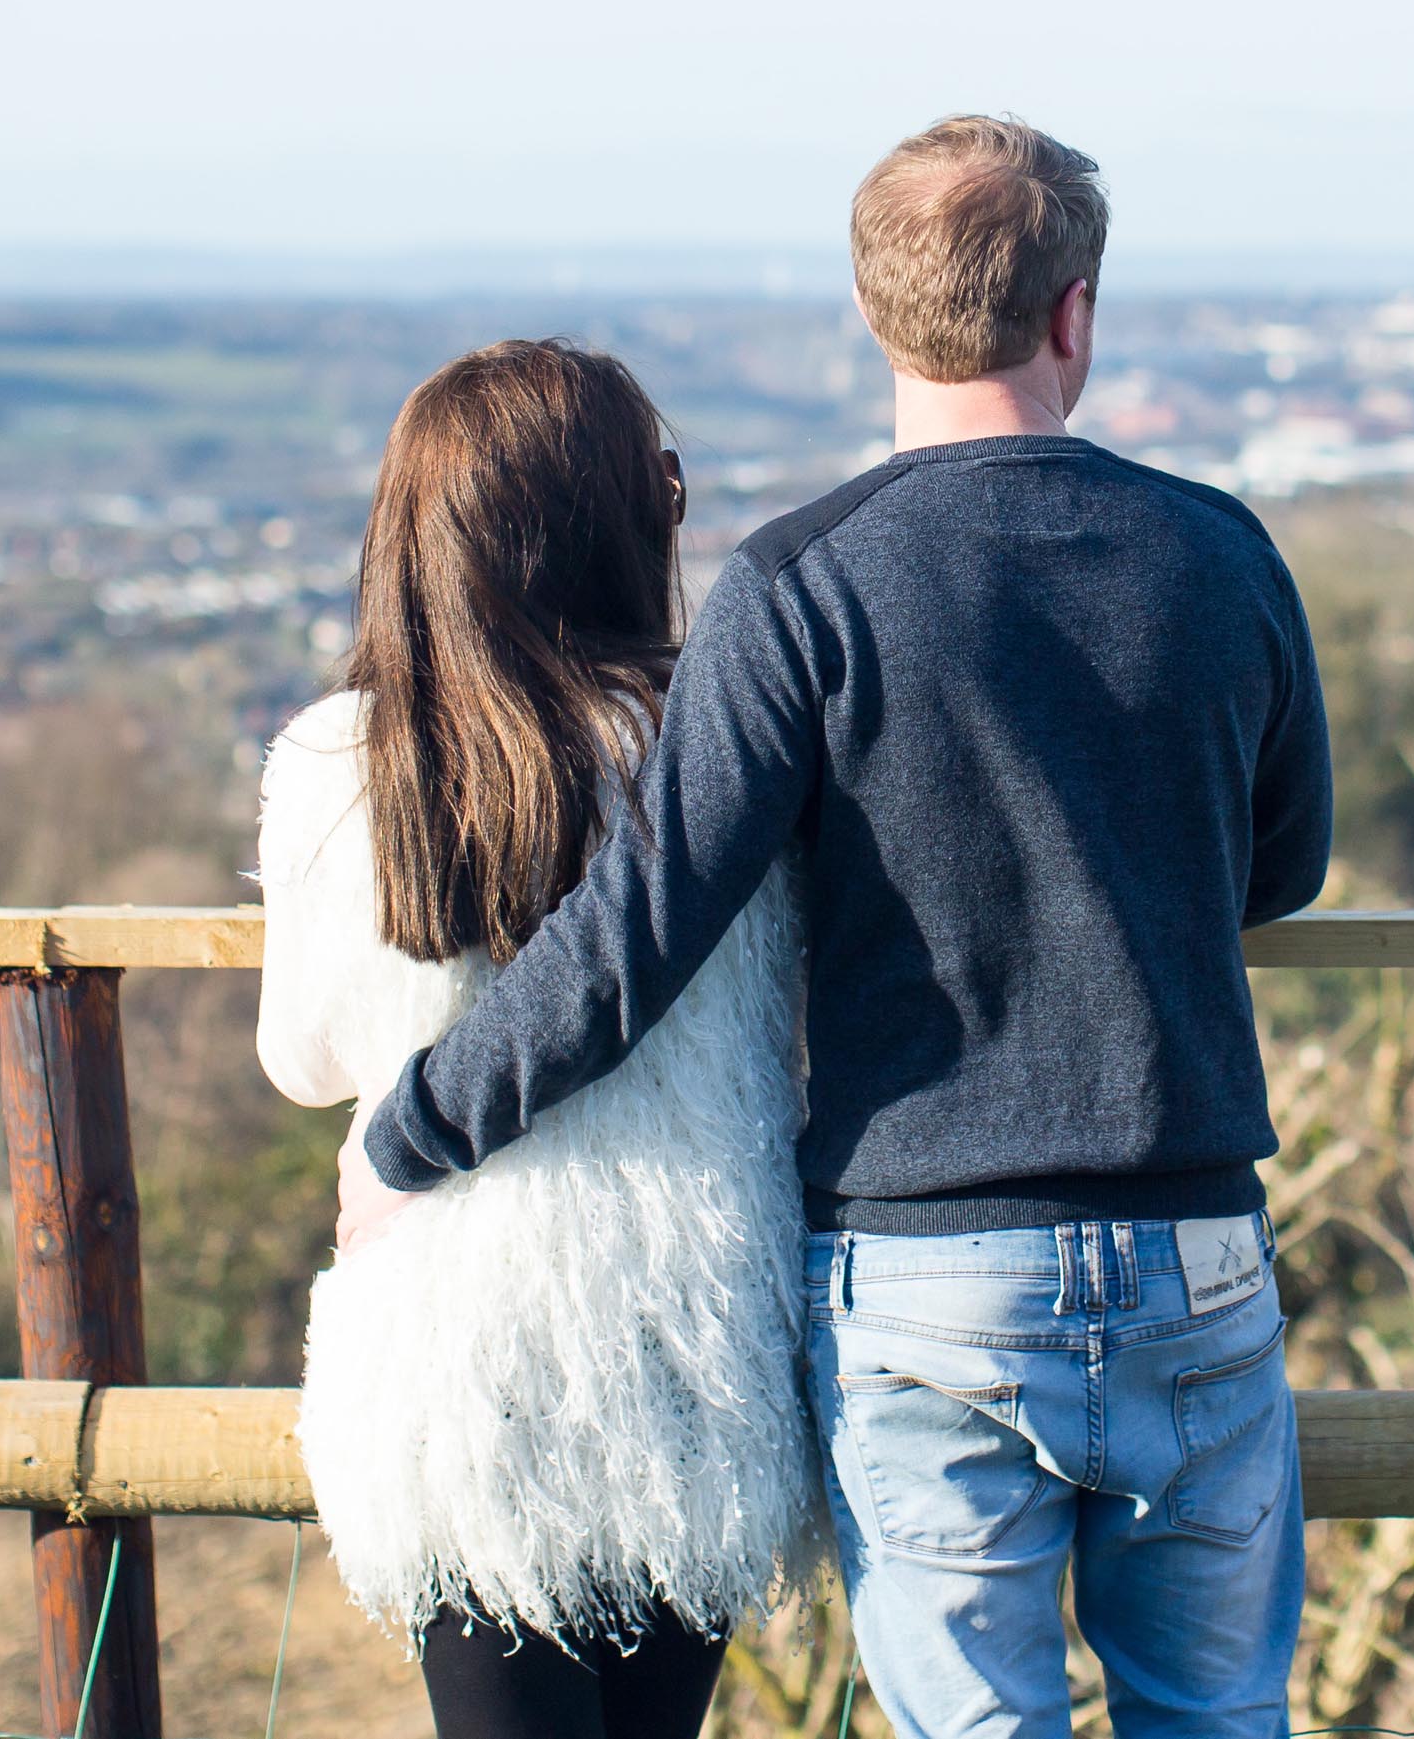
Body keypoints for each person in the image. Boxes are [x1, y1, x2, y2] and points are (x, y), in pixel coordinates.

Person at [346, 116, 1334, 1736]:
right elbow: (1280, 869)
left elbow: (636, 929)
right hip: (1192, 1241)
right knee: (1218, 1718)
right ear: (1074, 312)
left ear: (872, 314)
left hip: (928, 1274)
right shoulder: (1219, 550)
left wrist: (411, 1133)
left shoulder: (801, 581)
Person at [252, 338, 817, 1739]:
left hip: (455, 1357)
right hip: (695, 1335)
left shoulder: (338, 759)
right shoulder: (711, 748)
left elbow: (303, 1061)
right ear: (638, 516)